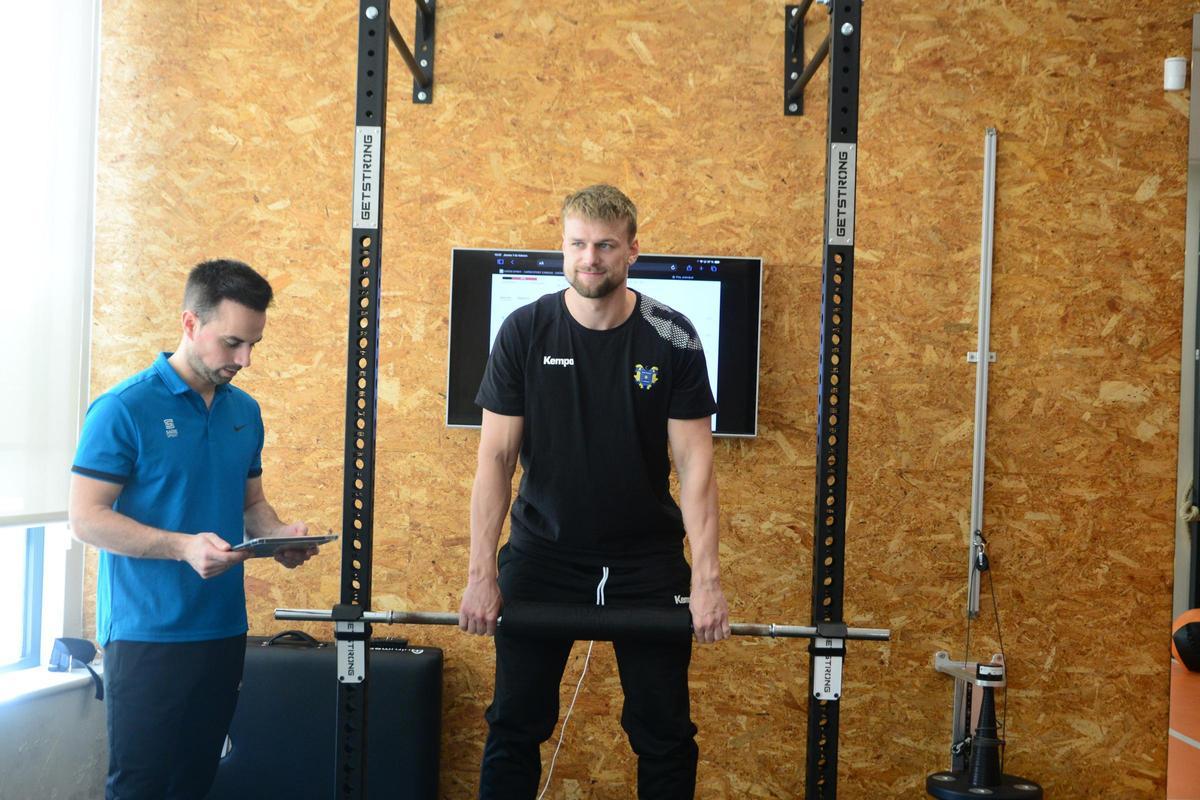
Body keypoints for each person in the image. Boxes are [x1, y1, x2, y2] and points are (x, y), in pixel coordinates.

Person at [459, 184, 731, 799]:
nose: (591, 258)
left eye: (605, 245)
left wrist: (707, 580)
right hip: (543, 555)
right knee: (514, 725)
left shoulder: (674, 337)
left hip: (645, 561)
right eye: (578, 244)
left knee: (664, 732)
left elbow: (696, 468)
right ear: (563, 248)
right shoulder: (524, 331)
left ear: (632, 250)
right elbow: (496, 459)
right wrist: (482, 573)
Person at [69, 259, 322, 800]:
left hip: (223, 628)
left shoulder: (245, 413)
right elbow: (86, 518)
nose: (245, 360)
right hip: (146, 634)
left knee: (193, 783)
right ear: (190, 323)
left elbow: (251, 503)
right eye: (233, 343)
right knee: (142, 787)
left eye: (253, 344)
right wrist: (181, 546)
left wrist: (278, 537)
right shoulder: (122, 409)